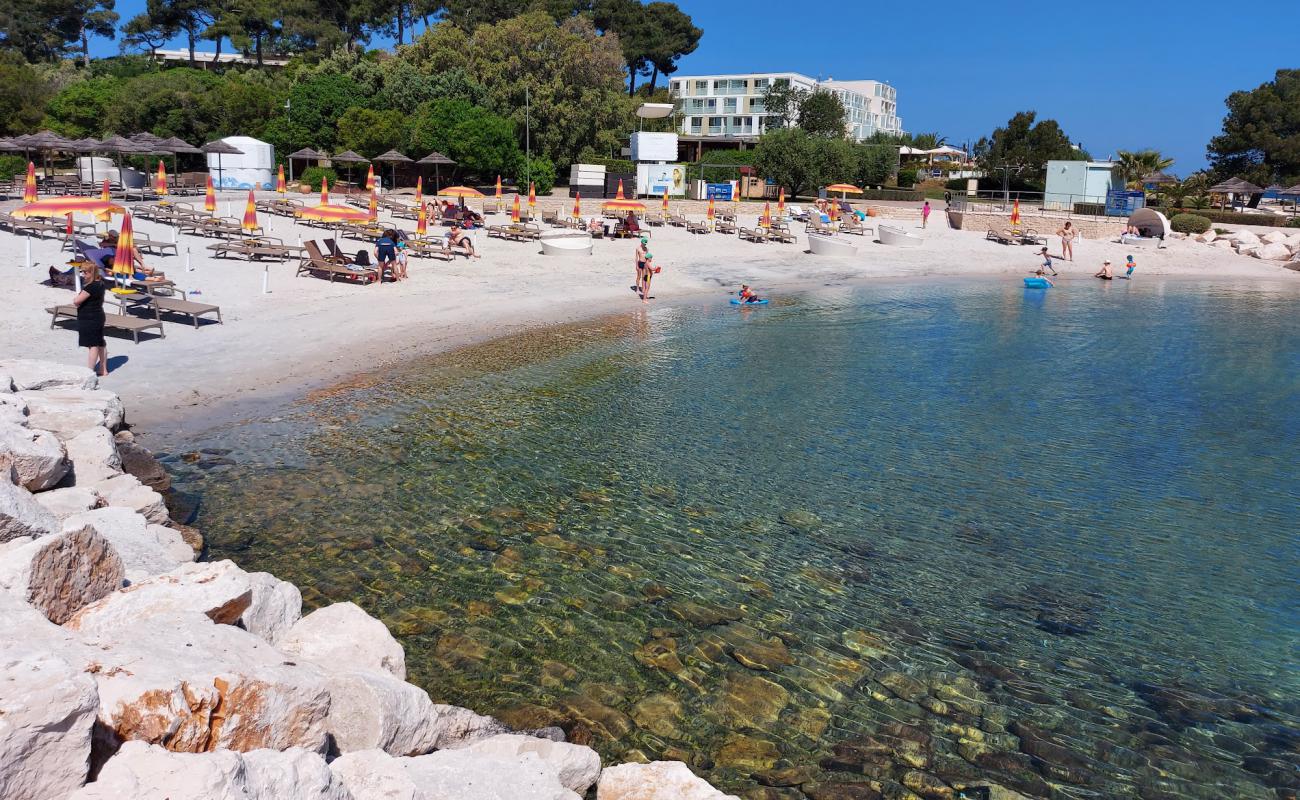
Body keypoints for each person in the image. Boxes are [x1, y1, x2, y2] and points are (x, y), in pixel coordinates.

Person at [72, 261, 107, 376]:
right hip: (98, 316)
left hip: (90, 317)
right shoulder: (101, 284)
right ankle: (103, 369)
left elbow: (77, 301)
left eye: (85, 272)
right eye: (82, 272)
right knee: (100, 343)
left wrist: (77, 299)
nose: (83, 274)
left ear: (91, 272)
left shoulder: (91, 287)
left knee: (93, 345)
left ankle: (89, 372)